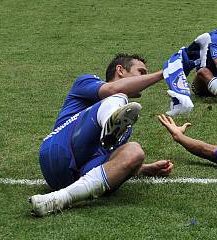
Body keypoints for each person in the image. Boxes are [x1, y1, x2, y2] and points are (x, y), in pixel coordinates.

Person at [29, 54, 174, 217]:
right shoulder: (86, 82)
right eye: (141, 72)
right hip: (57, 151)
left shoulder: (125, 121)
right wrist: (165, 73)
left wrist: (142, 169)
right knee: (119, 96)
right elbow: (113, 89)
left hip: (78, 178)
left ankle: (59, 199)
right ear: (120, 70)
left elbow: (106, 159)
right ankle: (108, 126)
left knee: (135, 151)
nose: (144, 77)